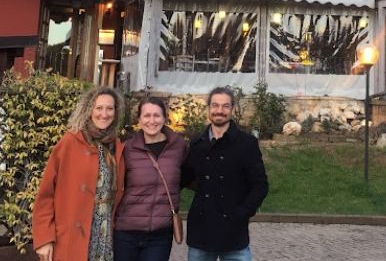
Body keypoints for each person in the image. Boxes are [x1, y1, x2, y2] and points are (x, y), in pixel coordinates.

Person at [33, 86, 126, 261]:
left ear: (116, 111)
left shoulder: (116, 146)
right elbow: (46, 194)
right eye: (99, 108)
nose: (104, 114)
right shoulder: (70, 142)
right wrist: (44, 239)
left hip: (104, 233)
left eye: (109, 108)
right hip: (73, 233)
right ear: (88, 109)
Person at [181, 86, 269, 261]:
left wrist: (242, 213)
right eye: (215, 105)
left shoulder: (246, 144)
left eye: (225, 106)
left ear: (233, 109)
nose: (219, 111)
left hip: (234, 233)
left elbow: (260, 185)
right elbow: (184, 178)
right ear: (208, 108)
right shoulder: (197, 144)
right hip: (201, 232)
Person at [114, 97, 188, 261]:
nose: (152, 121)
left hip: (160, 234)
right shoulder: (127, 149)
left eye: (157, 115)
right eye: (147, 116)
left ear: (165, 118)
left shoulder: (179, 146)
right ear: (139, 120)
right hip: (126, 232)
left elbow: (186, 176)